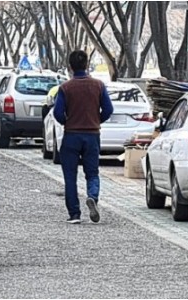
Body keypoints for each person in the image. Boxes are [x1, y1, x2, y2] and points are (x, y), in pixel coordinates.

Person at [53, 50, 114, 224]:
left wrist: (67, 121)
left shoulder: (65, 87)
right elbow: (108, 110)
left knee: (70, 176)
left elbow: (57, 113)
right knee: (92, 173)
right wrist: (96, 120)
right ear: (87, 65)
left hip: (71, 135)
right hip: (92, 135)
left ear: (70, 67)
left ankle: (74, 214)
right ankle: (92, 197)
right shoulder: (99, 86)